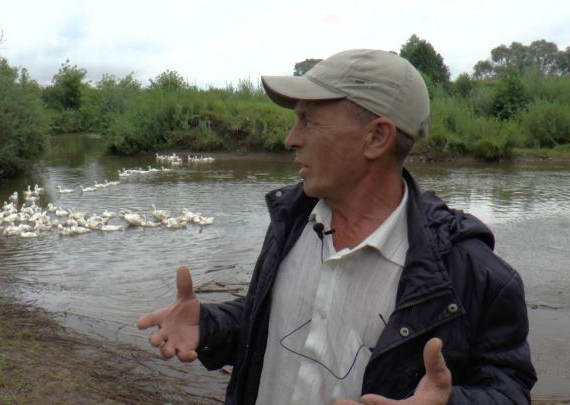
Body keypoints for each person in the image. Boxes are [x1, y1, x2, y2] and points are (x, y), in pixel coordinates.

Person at [138, 49, 536, 404]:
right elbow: (280, 324)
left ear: (376, 138)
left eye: (308, 121)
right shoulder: (291, 221)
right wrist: (210, 325)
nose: (290, 139)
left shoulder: (470, 272)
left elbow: (509, 389)